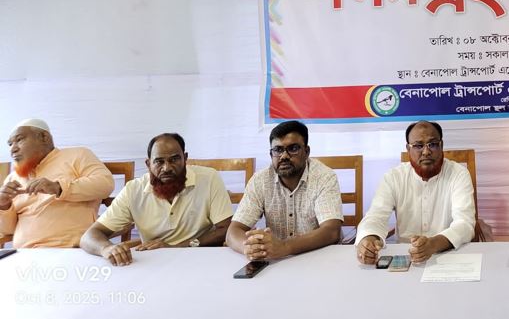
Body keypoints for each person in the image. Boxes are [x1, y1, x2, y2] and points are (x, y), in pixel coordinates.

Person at [80, 133, 232, 265]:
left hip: (200, 257)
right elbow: (89, 236)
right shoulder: (134, 190)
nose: (167, 168)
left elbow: (225, 229)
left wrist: (178, 247)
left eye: (174, 159)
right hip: (153, 263)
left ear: (185, 158)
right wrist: (106, 248)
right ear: (148, 164)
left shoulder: (209, 178)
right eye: (159, 161)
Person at [355, 121, 475, 265]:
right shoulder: (394, 177)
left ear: (441, 145)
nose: (426, 152)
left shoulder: (458, 174)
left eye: (432, 144)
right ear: (408, 149)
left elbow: (464, 223)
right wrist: (368, 238)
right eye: (418, 146)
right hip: (405, 259)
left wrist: (433, 244)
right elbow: (375, 216)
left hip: (449, 255)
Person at [226, 121, 343, 260]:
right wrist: (248, 247)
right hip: (278, 260)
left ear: (306, 152)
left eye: (293, 148)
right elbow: (233, 232)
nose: (284, 156)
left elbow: (331, 231)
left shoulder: (324, 177)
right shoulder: (260, 180)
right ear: (271, 154)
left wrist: (285, 246)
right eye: (278, 150)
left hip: (318, 257)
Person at [0, 119, 114, 248]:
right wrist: (4, 205)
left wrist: (58, 187)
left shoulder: (78, 155)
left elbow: (105, 183)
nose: (13, 149)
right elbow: (8, 231)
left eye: (19, 140)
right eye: (10, 144)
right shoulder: (13, 178)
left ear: (44, 137)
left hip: (70, 249)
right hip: (24, 253)